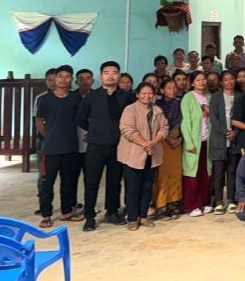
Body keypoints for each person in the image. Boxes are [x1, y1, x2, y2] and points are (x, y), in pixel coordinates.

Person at [77, 61, 132, 231]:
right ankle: (89, 217)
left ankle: (112, 212)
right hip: (96, 145)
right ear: (101, 76)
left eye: (114, 72)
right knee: (92, 182)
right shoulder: (91, 97)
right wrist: (94, 130)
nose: (111, 76)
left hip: (118, 145)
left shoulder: (126, 96)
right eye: (107, 72)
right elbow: (80, 118)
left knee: (115, 181)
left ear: (119, 76)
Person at [35, 65, 82, 228]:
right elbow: (39, 121)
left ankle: (67, 211)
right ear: (55, 78)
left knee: (68, 182)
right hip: (50, 149)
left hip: (70, 147)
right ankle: (46, 214)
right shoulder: (45, 99)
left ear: (71, 79)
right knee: (47, 183)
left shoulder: (76, 98)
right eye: (60, 76)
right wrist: (49, 136)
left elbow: (82, 118)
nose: (63, 79)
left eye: (67, 76)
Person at [118, 82, 168, 231]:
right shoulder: (130, 109)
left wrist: (154, 143)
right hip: (133, 155)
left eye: (150, 93)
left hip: (152, 155)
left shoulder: (157, 110)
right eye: (144, 93)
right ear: (137, 95)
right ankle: (132, 219)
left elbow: (164, 128)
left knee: (147, 187)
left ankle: (144, 217)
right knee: (133, 188)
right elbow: (127, 130)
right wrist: (146, 144)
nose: (147, 96)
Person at [181, 71, 213, 217]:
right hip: (194, 142)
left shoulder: (208, 97)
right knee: (192, 174)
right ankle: (192, 205)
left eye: (203, 79)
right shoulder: (188, 98)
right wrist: (189, 142)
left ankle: (205, 202)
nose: (202, 82)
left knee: (205, 173)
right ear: (192, 83)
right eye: (198, 80)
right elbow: (185, 122)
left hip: (207, 141)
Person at [152, 78, 183, 220]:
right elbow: (155, 125)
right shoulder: (157, 106)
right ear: (162, 90)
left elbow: (186, 123)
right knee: (162, 175)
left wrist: (180, 139)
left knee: (175, 173)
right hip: (161, 142)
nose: (172, 90)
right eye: (169, 88)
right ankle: (160, 205)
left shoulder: (180, 104)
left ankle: (173, 203)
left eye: (174, 87)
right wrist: (168, 138)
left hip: (177, 143)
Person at [209, 70, 237, 215]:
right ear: (221, 82)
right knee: (218, 173)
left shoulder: (239, 96)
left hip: (234, 142)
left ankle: (231, 200)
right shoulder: (216, 97)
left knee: (232, 172)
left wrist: (235, 133)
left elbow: (242, 117)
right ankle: (219, 201)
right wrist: (225, 132)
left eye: (232, 79)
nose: (229, 82)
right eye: (226, 79)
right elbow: (213, 118)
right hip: (219, 140)